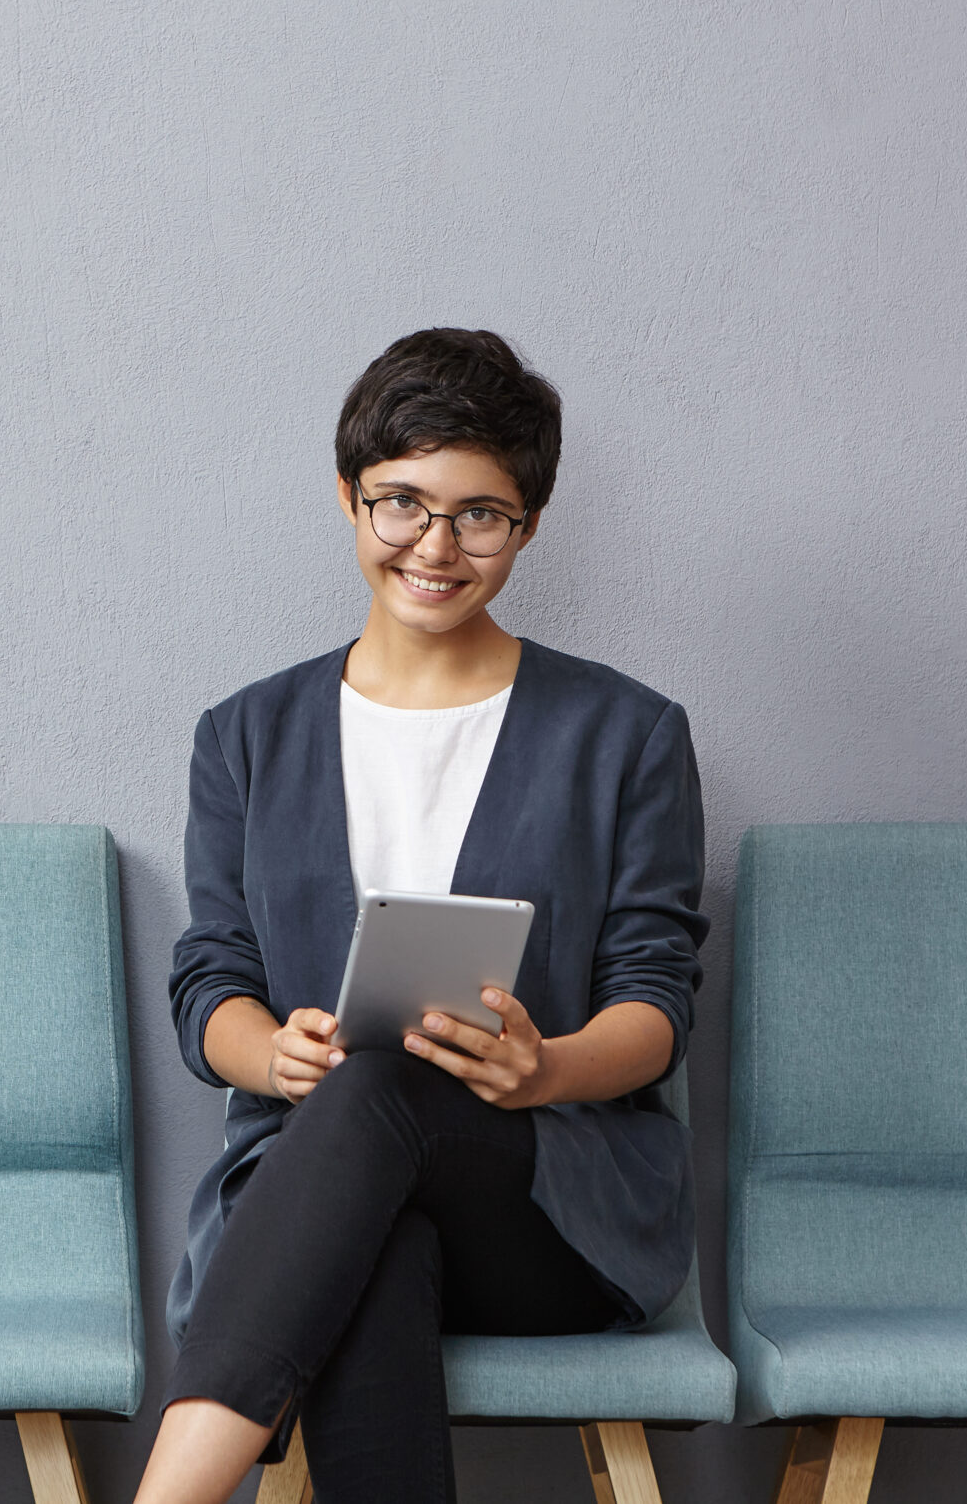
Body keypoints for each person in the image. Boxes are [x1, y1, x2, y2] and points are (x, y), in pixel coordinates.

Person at [133, 330, 708, 1504]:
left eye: (479, 514)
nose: (434, 547)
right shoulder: (245, 735)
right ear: (347, 498)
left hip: (551, 1212)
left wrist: (543, 1068)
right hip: (317, 1200)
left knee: (380, 1094)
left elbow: (656, 998)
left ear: (527, 525)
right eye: (400, 503)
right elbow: (211, 979)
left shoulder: (628, 735)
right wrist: (274, 1054)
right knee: (372, 1222)